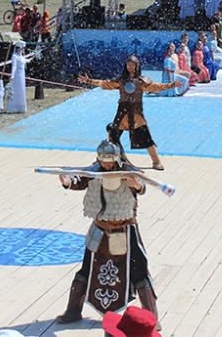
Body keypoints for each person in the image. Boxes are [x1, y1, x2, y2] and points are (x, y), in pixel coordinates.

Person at [55, 138, 160, 329]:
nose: (107, 165)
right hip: (100, 230)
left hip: (126, 230)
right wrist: (68, 181)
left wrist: (136, 185)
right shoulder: (94, 171)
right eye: (104, 161)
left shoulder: (128, 172)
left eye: (110, 161)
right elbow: (80, 180)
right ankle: (73, 311)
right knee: (86, 270)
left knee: (140, 272)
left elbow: (141, 187)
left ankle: (151, 318)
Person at [78, 55, 177, 170]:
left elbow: (156, 87)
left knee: (147, 139)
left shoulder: (141, 81)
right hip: (122, 113)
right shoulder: (121, 81)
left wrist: (172, 85)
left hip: (136, 115)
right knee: (112, 138)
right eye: (128, 64)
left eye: (132, 65)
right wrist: (89, 81)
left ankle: (156, 161)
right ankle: (108, 160)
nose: (130, 67)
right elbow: (105, 83)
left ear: (136, 66)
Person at [5, 41, 33, 113]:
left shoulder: (21, 56)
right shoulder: (14, 56)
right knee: (16, 89)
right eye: (22, 49)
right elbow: (14, 66)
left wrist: (30, 59)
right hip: (17, 76)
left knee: (21, 89)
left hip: (22, 75)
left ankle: (21, 107)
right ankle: (13, 107)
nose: (23, 50)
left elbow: (24, 61)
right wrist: (12, 75)